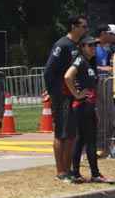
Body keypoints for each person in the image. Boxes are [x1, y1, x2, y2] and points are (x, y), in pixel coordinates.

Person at [43, 15, 88, 181]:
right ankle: (60, 171)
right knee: (61, 134)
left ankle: (68, 170)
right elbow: (48, 71)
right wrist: (53, 92)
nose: (85, 29)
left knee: (71, 135)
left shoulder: (77, 45)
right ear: (73, 26)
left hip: (73, 95)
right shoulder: (62, 45)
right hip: (61, 95)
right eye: (83, 26)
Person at [64, 36, 107, 183]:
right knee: (89, 140)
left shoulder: (89, 63)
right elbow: (68, 76)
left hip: (88, 106)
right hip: (82, 105)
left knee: (82, 140)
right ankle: (92, 173)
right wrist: (76, 94)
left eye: (94, 46)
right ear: (82, 47)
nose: (93, 48)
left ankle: (77, 173)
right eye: (89, 45)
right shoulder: (80, 60)